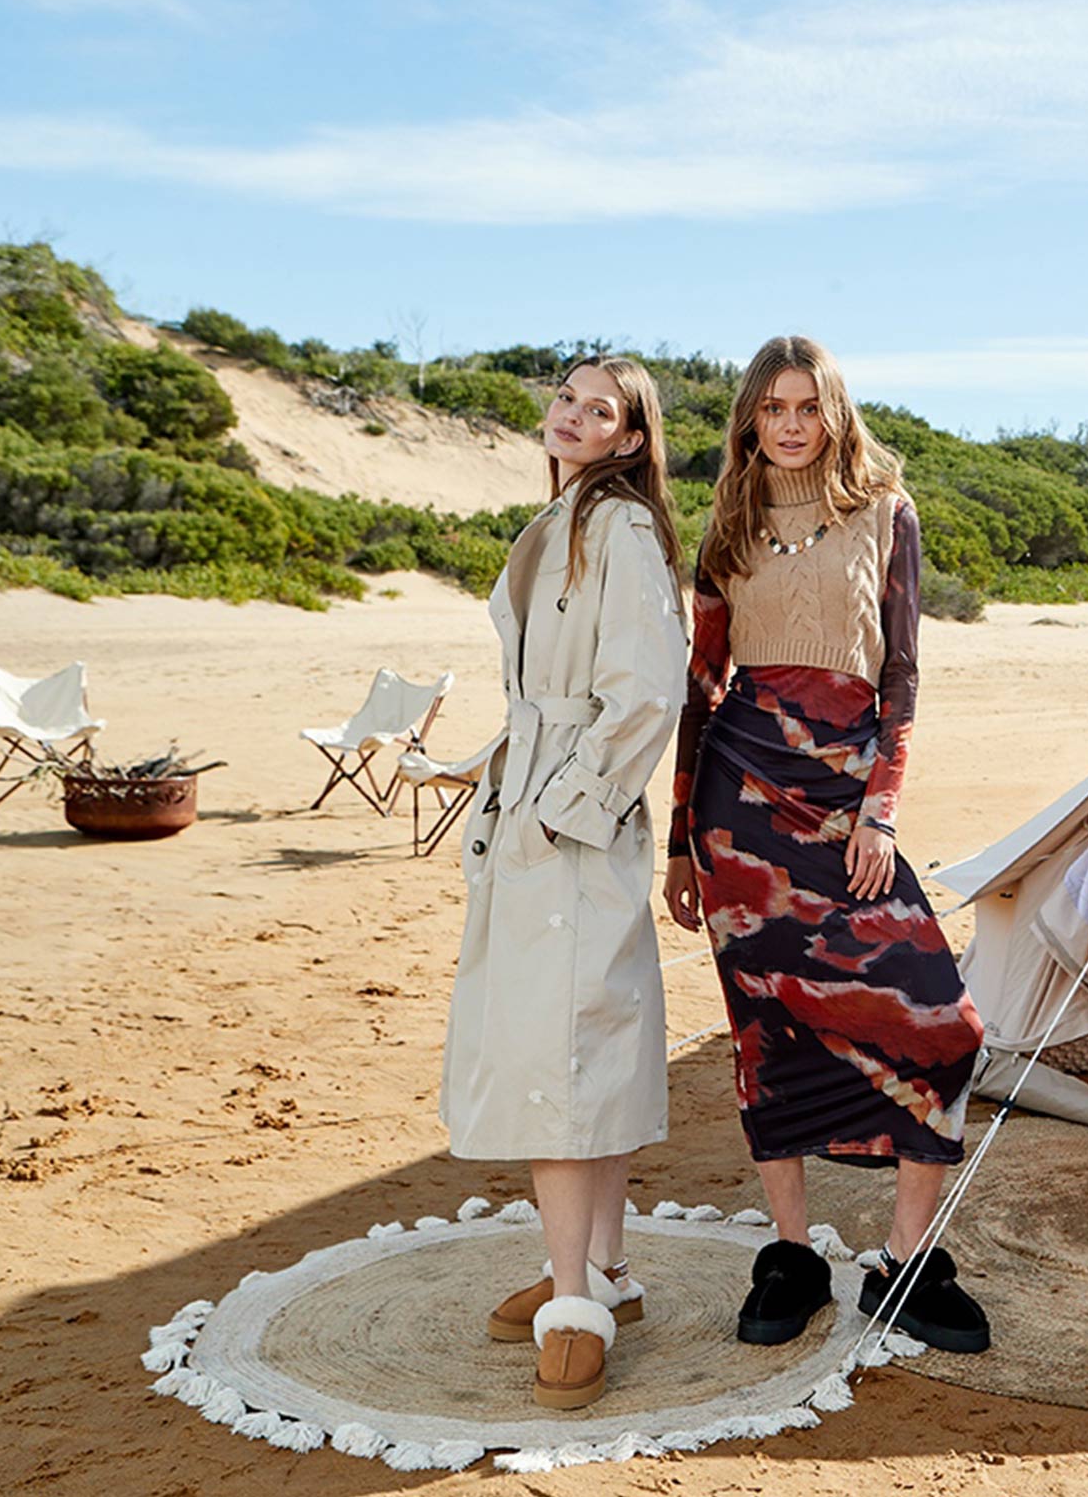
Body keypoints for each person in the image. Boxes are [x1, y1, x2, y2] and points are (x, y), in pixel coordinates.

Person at [663, 335, 989, 1353]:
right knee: (769, 1034)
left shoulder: (886, 511)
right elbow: (700, 685)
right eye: (773, 410)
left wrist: (878, 810)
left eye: (808, 407)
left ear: (836, 411)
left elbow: (903, 683)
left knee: (943, 1028)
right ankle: (794, 1253)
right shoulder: (728, 522)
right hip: (739, 803)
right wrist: (681, 841)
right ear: (751, 420)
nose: (792, 426)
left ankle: (902, 1261)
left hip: (849, 800)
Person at [444, 356, 686, 1410]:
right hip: (539, 812)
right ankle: (601, 1273)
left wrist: (562, 806)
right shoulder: (569, 519)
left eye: (604, 410)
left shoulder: (619, 530)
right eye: (567, 399)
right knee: (581, 1045)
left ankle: (577, 1301)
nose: (575, 416)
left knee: (565, 1057)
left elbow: (648, 690)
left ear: (633, 439)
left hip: (569, 828)